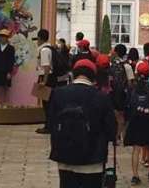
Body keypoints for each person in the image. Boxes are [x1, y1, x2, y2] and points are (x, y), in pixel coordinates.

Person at [49, 58, 117, 188]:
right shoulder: (101, 97)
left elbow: (51, 122)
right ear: (93, 76)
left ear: (74, 73)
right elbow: (111, 129)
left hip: (65, 155)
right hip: (93, 157)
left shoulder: (58, 93)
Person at [124, 61, 149, 185]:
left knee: (136, 148)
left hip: (135, 120)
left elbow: (127, 105)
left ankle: (135, 176)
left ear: (137, 73)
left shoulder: (132, 88)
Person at [110, 43, 134, 140]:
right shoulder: (127, 65)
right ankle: (120, 135)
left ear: (115, 52)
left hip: (112, 93)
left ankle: (115, 135)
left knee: (114, 115)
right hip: (122, 94)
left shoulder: (111, 64)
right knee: (122, 115)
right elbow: (130, 82)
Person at [36, 28, 55, 134]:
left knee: (46, 103)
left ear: (39, 38)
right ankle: (49, 125)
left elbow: (46, 67)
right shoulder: (50, 47)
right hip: (49, 77)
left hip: (46, 77)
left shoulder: (43, 50)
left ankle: (48, 126)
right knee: (48, 102)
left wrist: (44, 81)